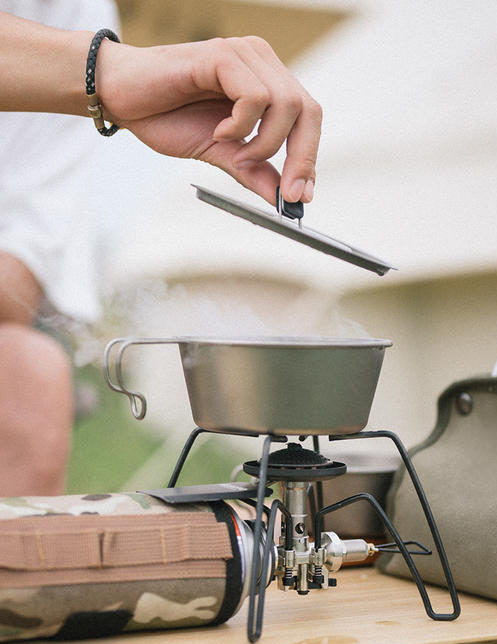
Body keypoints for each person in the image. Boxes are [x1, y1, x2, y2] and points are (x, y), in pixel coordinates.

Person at [0, 5, 321, 495]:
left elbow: (13, 275)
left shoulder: (68, 12)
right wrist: (107, 71)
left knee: (29, 375)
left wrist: (102, 78)